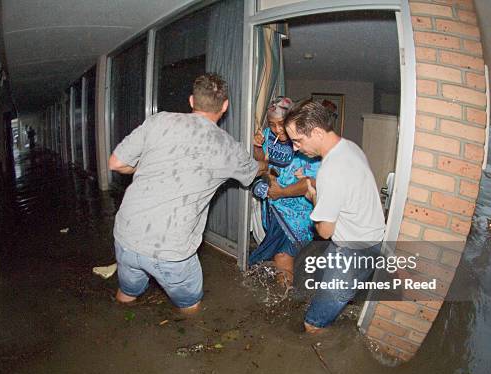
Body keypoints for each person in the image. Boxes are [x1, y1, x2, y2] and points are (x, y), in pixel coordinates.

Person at [108, 73, 267, 314]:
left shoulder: (158, 121)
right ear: (225, 106)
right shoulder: (228, 148)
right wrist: (266, 164)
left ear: (192, 101)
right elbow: (256, 170)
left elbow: (116, 163)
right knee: (191, 307)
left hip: (126, 235)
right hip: (171, 249)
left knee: (127, 294)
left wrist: (149, 166)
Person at [284, 100, 386, 333]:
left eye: (298, 141)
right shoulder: (349, 147)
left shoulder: (330, 170)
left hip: (352, 250)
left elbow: (324, 231)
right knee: (328, 287)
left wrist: (314, 199)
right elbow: (345, 190)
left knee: (313, 323)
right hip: (369, 238)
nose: (295, 148)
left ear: (317, 132)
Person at [249, 97, 321, 286]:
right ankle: (288, 292)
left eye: (282, 124)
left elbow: (311, 183)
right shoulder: (268, 135)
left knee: (282, 256)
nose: (278, 130)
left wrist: (281, 192)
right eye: (272, 125)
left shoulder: (304, 141)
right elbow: (263, 164)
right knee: (279, 257)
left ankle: (285, 301)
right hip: (274, 208)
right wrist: (257, 147)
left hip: (299, 213)